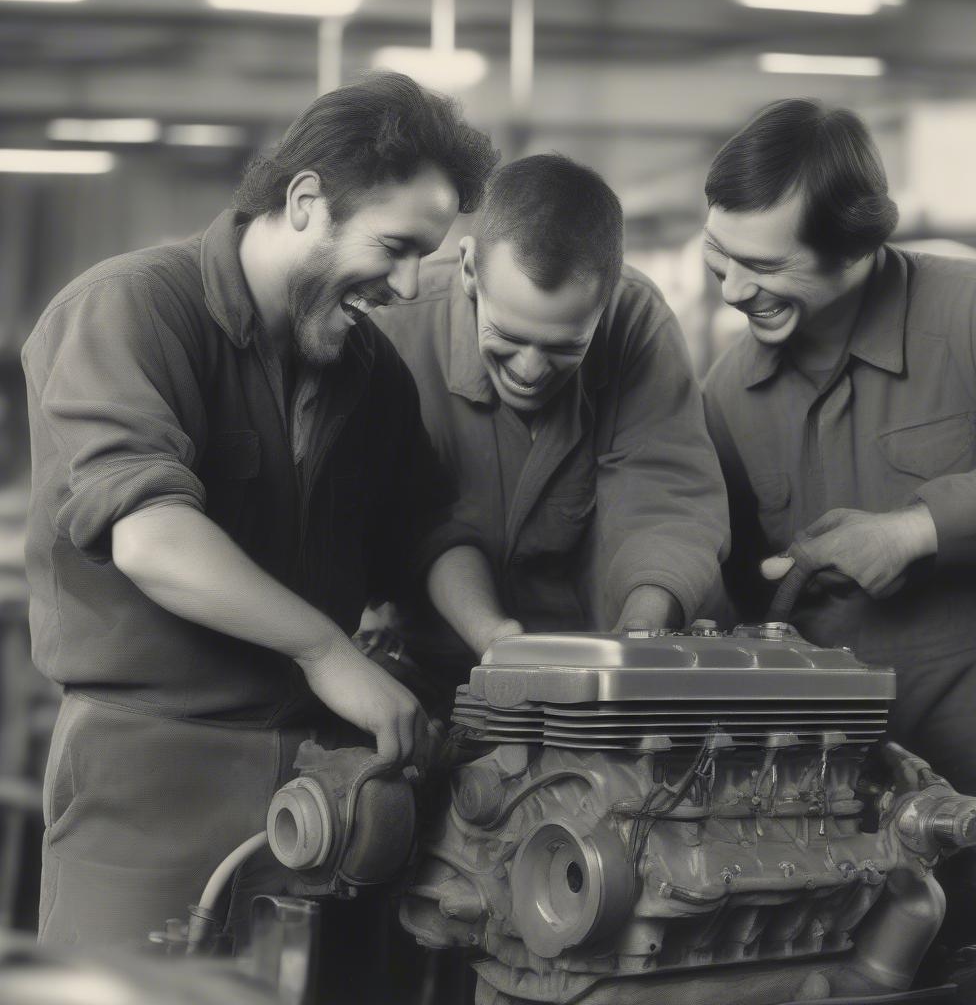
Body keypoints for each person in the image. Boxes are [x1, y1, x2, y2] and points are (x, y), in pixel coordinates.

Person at [21, 72, 498, 948]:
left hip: (328, 779)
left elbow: (427, 529)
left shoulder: (370, 375)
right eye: (393, 246)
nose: (405, 282)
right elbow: (152, 535)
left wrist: (502, 642)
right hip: (152, 767)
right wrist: (323, 649)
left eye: (423, 255)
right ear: (307, 200)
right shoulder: (130, 310)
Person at [701, 98, 976, 804]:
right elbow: (734, 584)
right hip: (831, 753)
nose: (732, 289)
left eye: (762, 264)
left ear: (854, 247)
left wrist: (913, 531)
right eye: (718, 255)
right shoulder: (727, 390)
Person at [372, 154, 729, 687]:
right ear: (470, 270)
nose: (532, 371)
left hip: (591, 669)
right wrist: (495, 639)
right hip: (415, 663)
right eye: (509, 338)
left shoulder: (637, 323)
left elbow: (665, 495)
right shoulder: (389, 332)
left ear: (605, 304)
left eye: (565, 346)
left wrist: (641, 637)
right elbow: (419, 522)